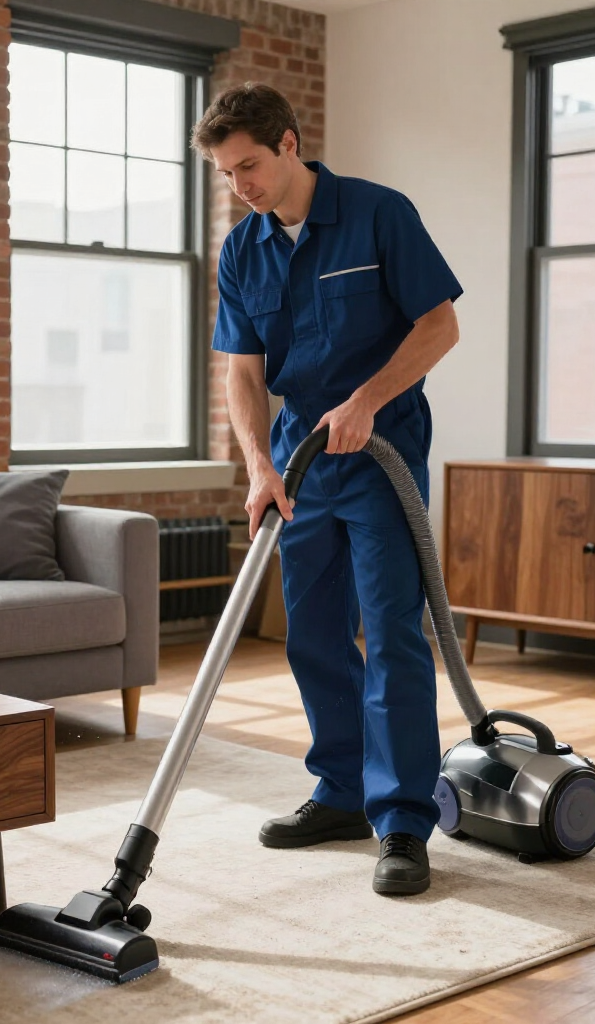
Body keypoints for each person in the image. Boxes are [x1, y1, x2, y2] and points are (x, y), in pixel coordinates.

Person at [191, 83, 462, 895]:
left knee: (392, 635)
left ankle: (405, 820)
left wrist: (368, 399)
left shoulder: (380, 214)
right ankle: (342, 792)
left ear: (288, 142)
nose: (241, 186)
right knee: (310, 636)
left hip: (382, 456)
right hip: (297, 463)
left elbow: (439, 325)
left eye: (248, 166)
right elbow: (242, 371)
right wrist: (257, 466)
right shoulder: (244, 249)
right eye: (225, 174)